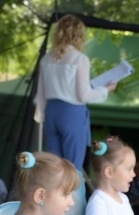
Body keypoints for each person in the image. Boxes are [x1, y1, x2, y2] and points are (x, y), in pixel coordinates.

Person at [34, 14, 115, 177]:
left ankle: (55, 201)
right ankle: (72, 202)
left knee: (55, 169)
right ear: (79, 35)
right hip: (71, 113)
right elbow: (83, 95)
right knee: (72, 168)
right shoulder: (80, 59)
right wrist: (106, 90)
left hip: (51, 112)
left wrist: (41, 119)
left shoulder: (46, 59)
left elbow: (40, 95)